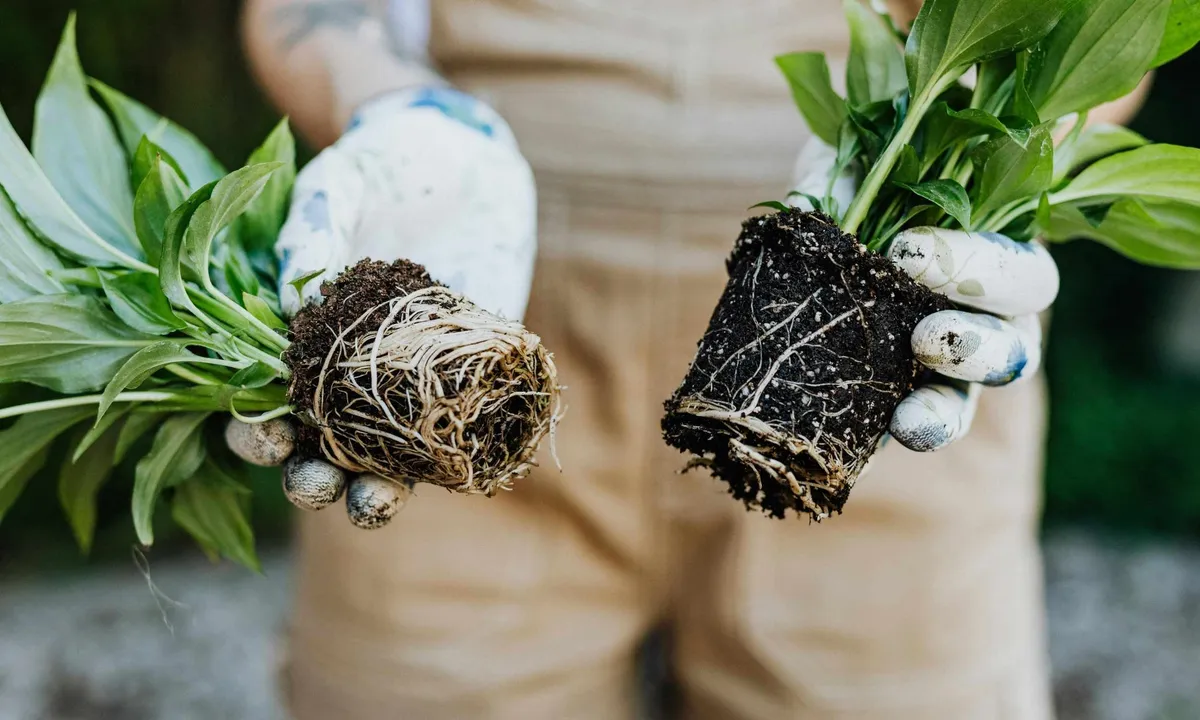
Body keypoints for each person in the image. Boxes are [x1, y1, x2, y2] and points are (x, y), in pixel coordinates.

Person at [236, 1, 1149, 717]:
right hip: (475, 333)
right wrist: (395, 110)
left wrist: (978, 168)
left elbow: (1099, 35)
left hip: (858, 346)